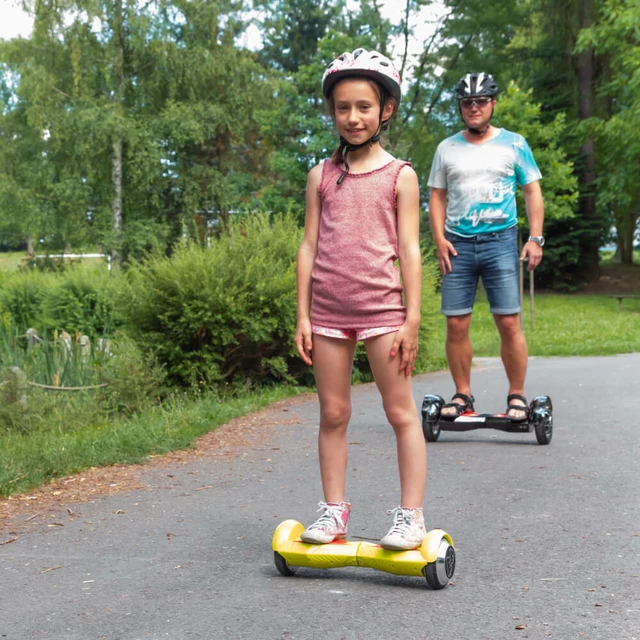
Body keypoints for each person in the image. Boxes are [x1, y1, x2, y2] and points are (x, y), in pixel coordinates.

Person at [294, 48, 427, 550]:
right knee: (332, 414)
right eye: (343, 107)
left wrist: (411, 318)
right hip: (328, 314)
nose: (353, 117)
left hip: (383, 313)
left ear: (385, 110)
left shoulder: (401, 176)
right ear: (333, 112)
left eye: (364, 107)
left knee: (400, 414)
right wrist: (302, 314)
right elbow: (308, 246)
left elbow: (411, 250)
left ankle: (410, 516)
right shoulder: (321, 176)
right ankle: (333, 513)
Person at [428, 72, 545, 420]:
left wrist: (536, 238)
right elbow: (436, 195)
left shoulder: (514, 143)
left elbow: (532, 190)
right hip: (457, 244)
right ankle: (462, 395)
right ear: (461, 108)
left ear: (493, 104)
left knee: (508, 322)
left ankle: (517, 396)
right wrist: (438, 238)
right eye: (467, 103)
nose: (474, 107)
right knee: (456, 324)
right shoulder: (446, 148)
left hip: (500, 240)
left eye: (481, 101)